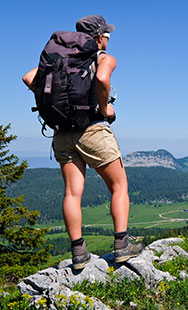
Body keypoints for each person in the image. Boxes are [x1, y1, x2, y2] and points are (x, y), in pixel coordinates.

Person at [22, 15, 143, 269]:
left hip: (62, 134)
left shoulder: (57, 59)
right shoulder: (102, 57)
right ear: (99, 36)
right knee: (119, 186)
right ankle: (122, 245)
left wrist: (57, 103)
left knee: (72, 192)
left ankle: (79, 253)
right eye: (107, 35)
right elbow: (101, 79)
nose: (108, 39)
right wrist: (104, 107)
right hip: (92, 130)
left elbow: (29, 78)